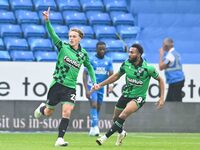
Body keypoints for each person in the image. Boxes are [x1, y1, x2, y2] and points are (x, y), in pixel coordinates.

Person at [34, 7, 96, 147]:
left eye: (74, 36)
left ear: (80, 38)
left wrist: (94, 81)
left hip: (70, 87)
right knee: (49, 112)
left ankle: (60, 139)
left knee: (67, 111)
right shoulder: (63, 46)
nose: (71, 38)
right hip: (57, 84)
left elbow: (90, 67)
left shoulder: (83, 54)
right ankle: (41, 109)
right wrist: (47, 21)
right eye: (70, 36)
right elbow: (52, 34)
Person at [91, 43, 165, 146]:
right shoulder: (126, 64)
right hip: (126, 94)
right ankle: (122, 133)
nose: (129, 54)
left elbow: (160, 80)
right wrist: (100, 85)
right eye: (129, 52)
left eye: (131, 52)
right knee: (115, 119)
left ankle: (104, 137)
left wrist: (161, 98)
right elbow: (116, 76)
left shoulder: (148, 68)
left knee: (123, 114)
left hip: (139, 97)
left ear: (138, 54)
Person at [83, 41, 113, 136]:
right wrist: (86, 89)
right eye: (100, 49)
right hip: (91, 86)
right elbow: (85, 73)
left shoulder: (108, 60)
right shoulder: (91, 59)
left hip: (101, 87)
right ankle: (96, 127)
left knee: (98, 107)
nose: (102, 51)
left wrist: (111, 85)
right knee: (94, 105)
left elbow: (111, 74)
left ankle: (92, 127)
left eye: (103, 49)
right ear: (96, 49)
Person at [159, 38, 185, 102]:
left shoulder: (170, 55)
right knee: (174, 100)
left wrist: (161, 55)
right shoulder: (176, 53)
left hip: (175, 80)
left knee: (173, 102)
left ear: (166, 45)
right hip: (178, 79)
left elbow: (161, 67)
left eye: (163, 44)